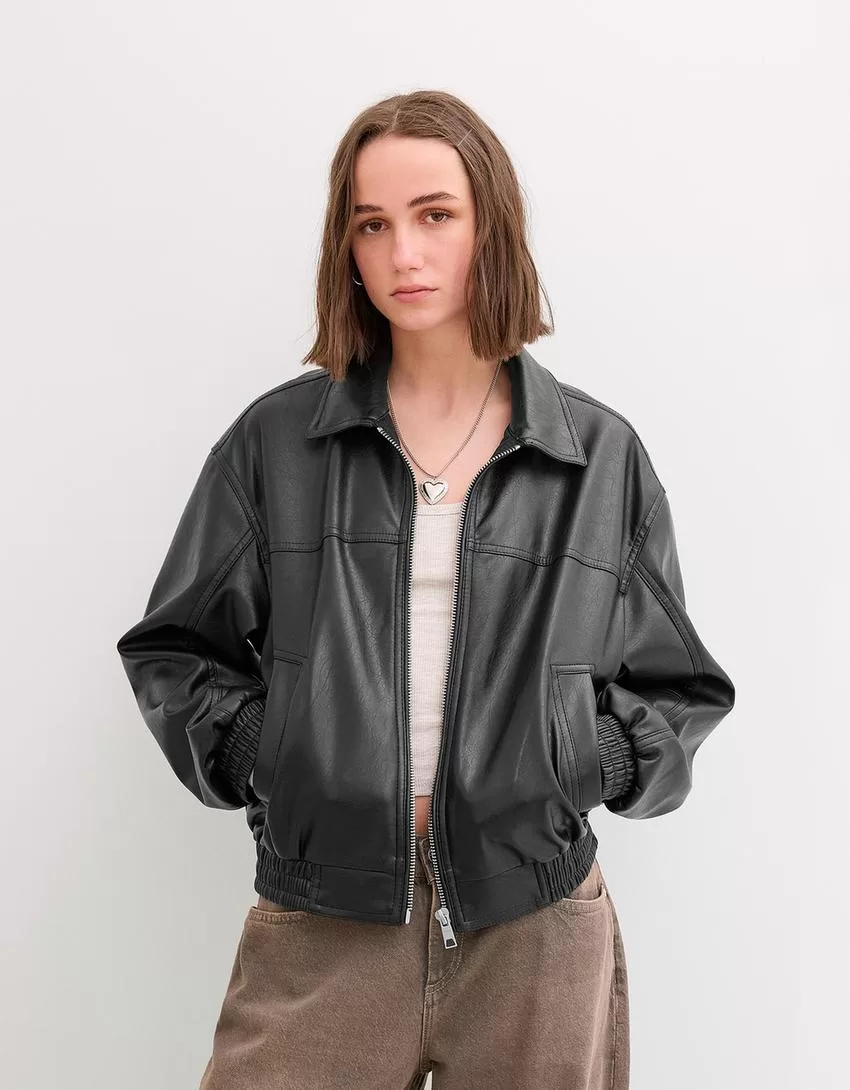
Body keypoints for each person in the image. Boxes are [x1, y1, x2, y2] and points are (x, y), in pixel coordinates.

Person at [116, 89, 735, 1090]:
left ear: (492, 224)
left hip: (533, 927)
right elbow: (175, 652)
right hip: (323, 921)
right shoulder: (276, 444)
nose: (403, 252)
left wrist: (584, 758)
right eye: (372, 224)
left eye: (434, 214)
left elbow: (678, 687)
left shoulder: (596, 456)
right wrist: (271, 746)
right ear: (347, 249)